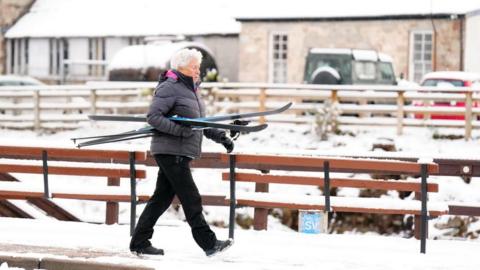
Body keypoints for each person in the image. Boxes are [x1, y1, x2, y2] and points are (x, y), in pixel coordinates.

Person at [129, 48, 234, 257]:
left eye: (198, 67)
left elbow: (198, 124)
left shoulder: (192, 90)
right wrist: (179, 130)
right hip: (170, 151)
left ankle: (139, 241)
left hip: (178, 151)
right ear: (181, 67)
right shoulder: (170, 87)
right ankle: (209, 243)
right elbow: (153, 117)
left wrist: (221, 137)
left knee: (161, 198)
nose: (198, 71)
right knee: (191, 197)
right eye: (194, 67)